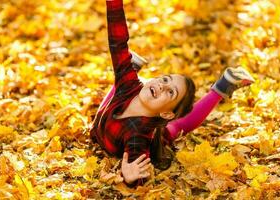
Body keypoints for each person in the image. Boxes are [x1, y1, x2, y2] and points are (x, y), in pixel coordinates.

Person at [90, 0, 255, 186]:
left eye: (170, 92)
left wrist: (130, 177)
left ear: (166, 113)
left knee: (175, 128)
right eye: (165, 79)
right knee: (121, 79)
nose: (162, 86)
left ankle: (222, 87)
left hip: (144, 131)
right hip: (103, 123)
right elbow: (118, 43)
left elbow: (140, 177)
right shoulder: (130, 84)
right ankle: (131, 66)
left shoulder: (139, 136)